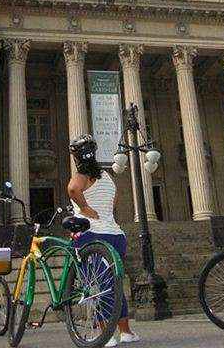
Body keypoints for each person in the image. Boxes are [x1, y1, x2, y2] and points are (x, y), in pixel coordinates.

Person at [67, 134, 140, 347]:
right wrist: (104, 210)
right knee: (114, 284)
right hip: (115, 235)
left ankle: (103, 333)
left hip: (91, 236)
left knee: (98, 286)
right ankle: (125, 331)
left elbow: (73, 188)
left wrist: (85, 207)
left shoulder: (82, 175)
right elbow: (116, 197)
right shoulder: (106, 175)